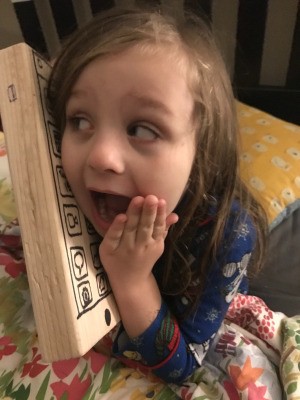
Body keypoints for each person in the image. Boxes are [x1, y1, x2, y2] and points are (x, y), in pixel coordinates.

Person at [47, 7, 268, 384]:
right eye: (80, 120)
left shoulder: (230, 236)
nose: (101, 155)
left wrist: (132, 281)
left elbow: (183, 365)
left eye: (143, 129)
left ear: (202, 149)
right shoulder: (69, 185)